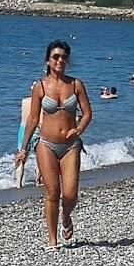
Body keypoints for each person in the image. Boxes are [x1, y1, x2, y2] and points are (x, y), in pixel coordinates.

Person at [14, 40, 93, 249]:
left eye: (64, 57)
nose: (60, 60)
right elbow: (32, 120)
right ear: (48, 60)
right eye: (55, 57)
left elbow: (87, 114)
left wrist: (78, 129)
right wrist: (22, 150)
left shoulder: (76, 84)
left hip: (70, 145)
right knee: (52, 193)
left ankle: (66, 216)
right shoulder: (40, 87)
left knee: (70, 194)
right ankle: (52, 240)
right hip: (46, 144)